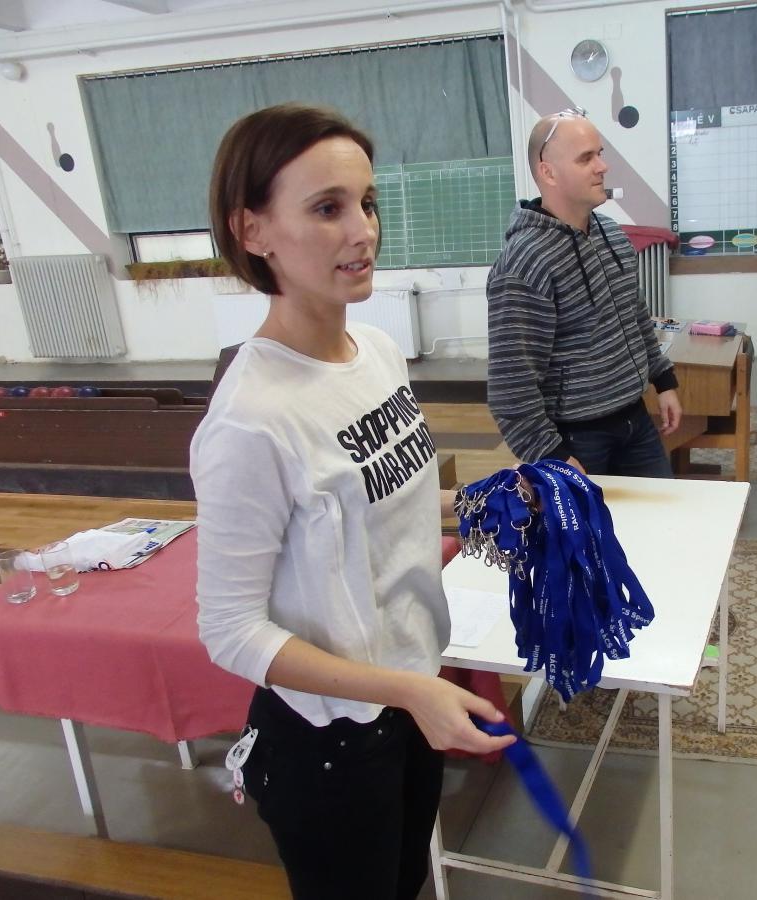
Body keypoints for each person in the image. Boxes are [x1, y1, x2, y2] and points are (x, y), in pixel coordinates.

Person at [192, 103, 515, 899]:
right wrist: (408, 690)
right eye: (327, 208)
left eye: (367, 203)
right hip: (329, 741)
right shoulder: (251, 419)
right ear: (253, 230)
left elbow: (383, 504)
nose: (363, 230)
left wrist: (488, 507)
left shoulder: (376, 351)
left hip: (409, 696)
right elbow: (229, 631)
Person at [486, 108, 682, 476]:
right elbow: (511, 386)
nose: (602, 167)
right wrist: (554, 455)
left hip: (635, 422)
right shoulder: (524, 263)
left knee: (663, 513)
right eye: (586, 158)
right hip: (576, 440)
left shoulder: (611, 234)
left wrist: (663, 380)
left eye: (600, 154)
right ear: (548, 172)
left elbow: (635, 315)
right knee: (592, 519)